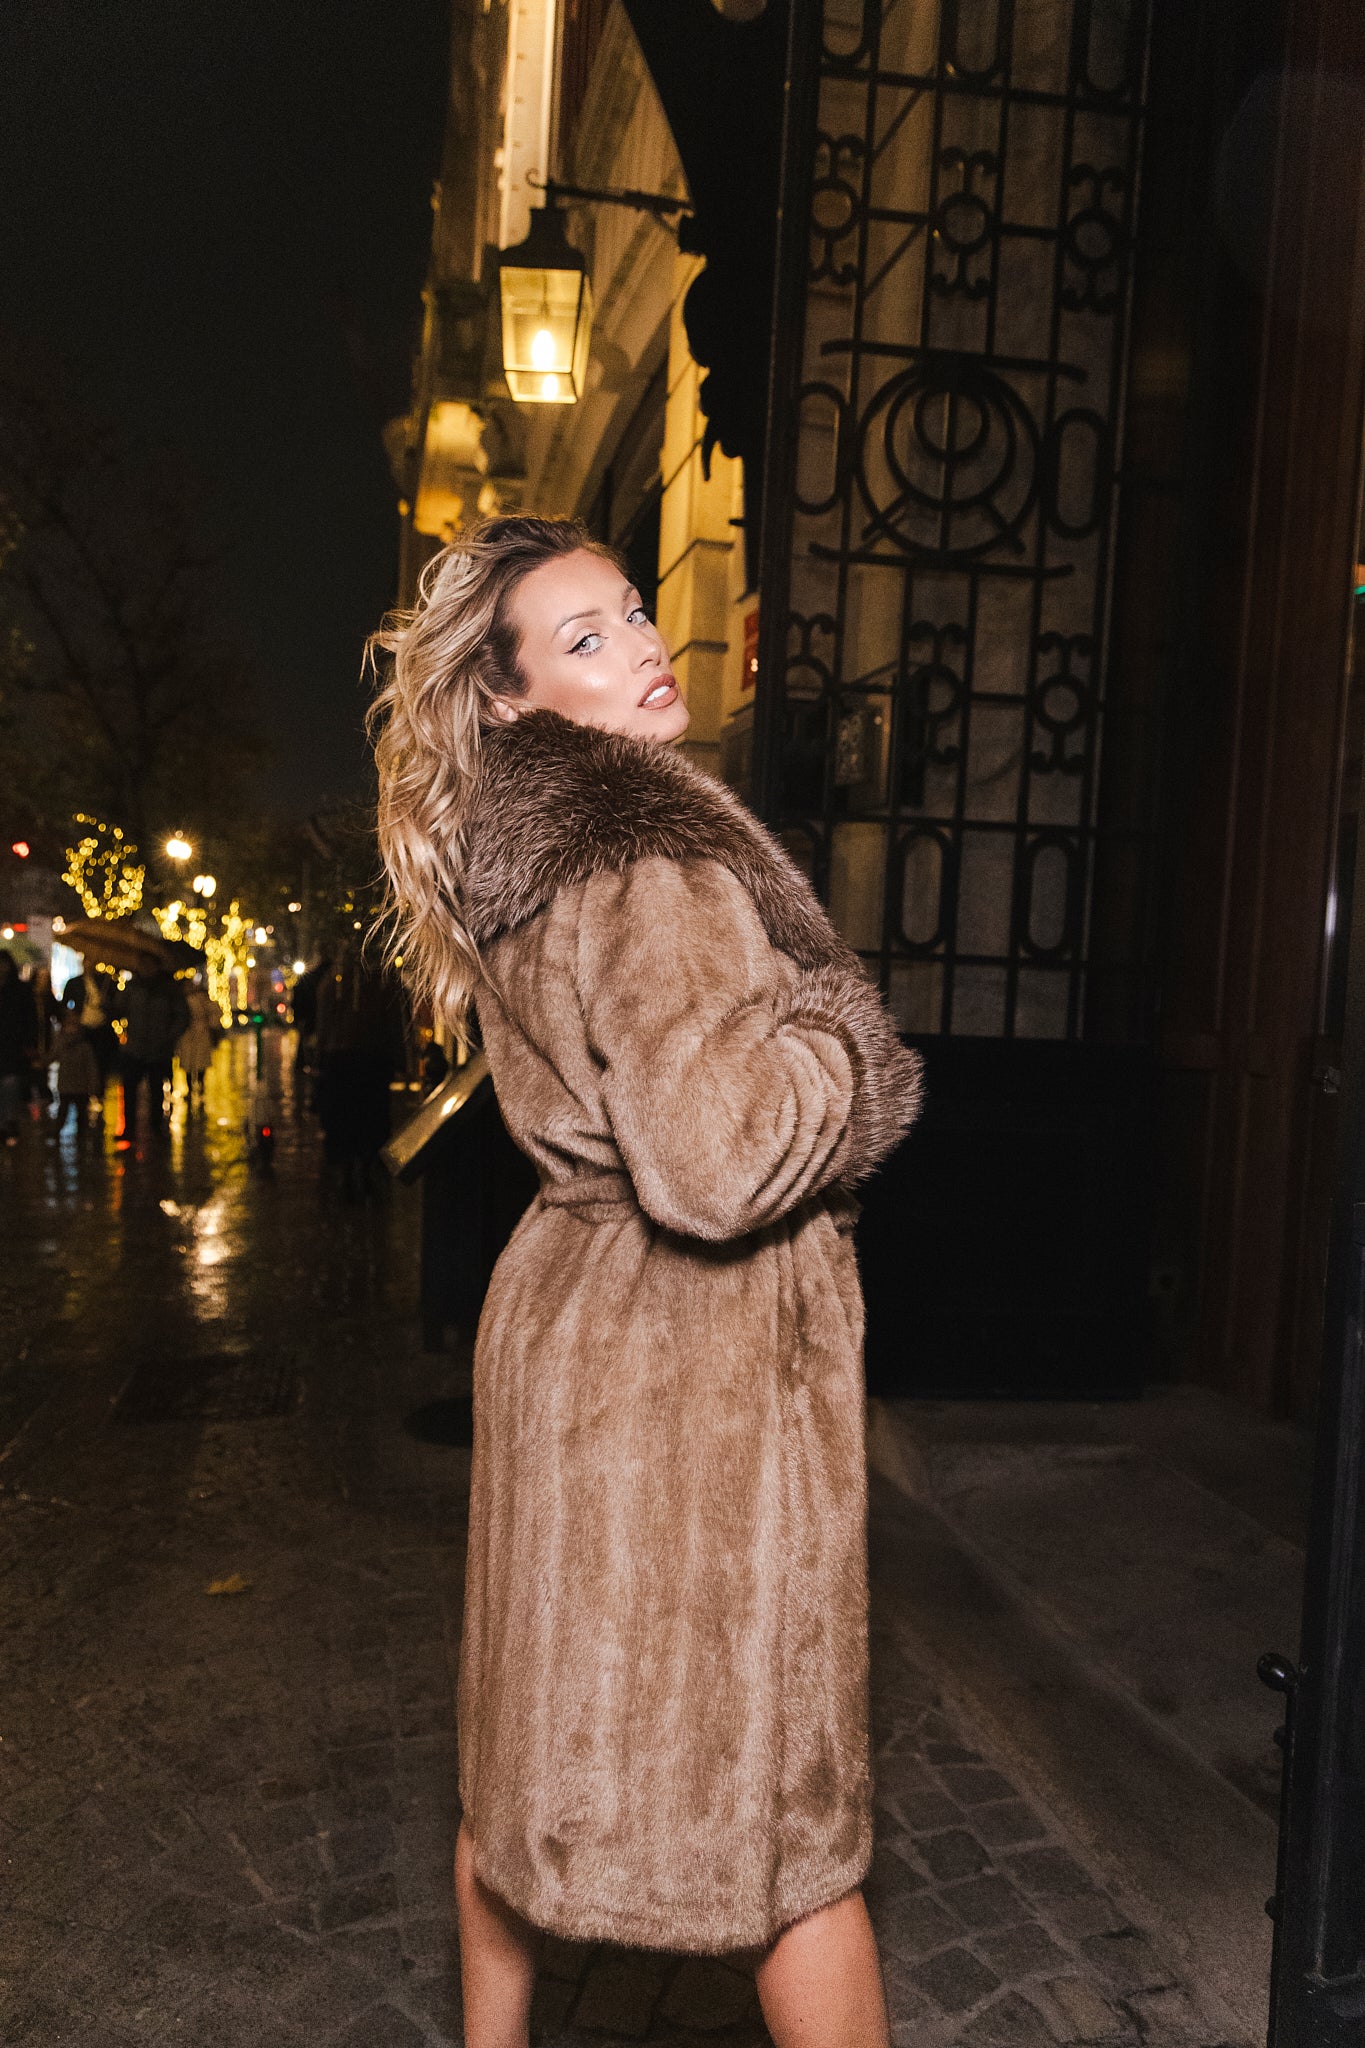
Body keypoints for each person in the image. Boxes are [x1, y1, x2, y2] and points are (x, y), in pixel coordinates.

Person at [367, 517, 924, 2048]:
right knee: (790, 1844)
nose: (640, 643)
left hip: (573, 1334)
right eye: (585, 637)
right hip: (692, 1371)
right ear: (511, 697)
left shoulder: (528, 856)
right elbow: (718, 1161)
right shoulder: (644, 855)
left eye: (629, 609)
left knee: (519, 1775)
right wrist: (848, 1047)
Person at [118, 962, 190, 1141]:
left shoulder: (169, 990)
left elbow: (182, 1017)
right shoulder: (133, 987)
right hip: (135, 1048)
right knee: (130, 1089)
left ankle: (156, 1127)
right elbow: (120, 1008)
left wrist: (168, 1036)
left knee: (157, 1089)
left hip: (159, 1049)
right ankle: (129, 1128)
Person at [0, 949, 39, 1146]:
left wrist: (30, 1044)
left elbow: (31, 1019)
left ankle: (9, 1123)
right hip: (9, 1046)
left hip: (14, 1047)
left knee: (11, 1084)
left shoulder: (20, 990)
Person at [53, 1011, 100, 1138]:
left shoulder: (85, 1047)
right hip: (66, 1087)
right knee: (63, 1112)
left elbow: (91, 1067)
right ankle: (57, 1133)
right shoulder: (61, 1044)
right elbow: (52, 1056)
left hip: (80, 1087)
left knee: (81, 1114)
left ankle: (81, 1136)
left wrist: (93, 1085)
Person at [175, 976, 217, 1106]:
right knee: (188, 1063)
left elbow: (213, 1012)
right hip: (188, 1034)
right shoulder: (182, 1000)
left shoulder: (201, 998)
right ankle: (191, 1088)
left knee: (200, 1062)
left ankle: (200, 1086)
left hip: (199, 1033)